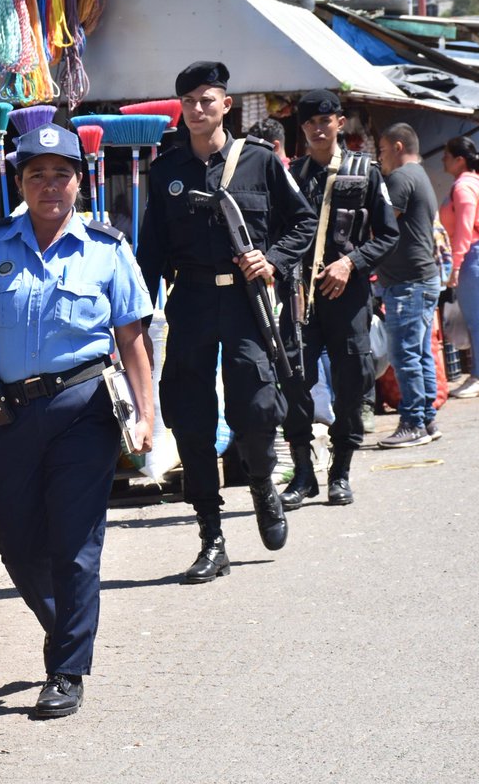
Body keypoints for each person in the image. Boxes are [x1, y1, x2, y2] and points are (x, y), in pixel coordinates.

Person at [0, 122, 154, 719]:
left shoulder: (107, 250)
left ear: (79, 182)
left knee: (76, 542)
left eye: (61, 174)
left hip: (82, 410)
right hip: (7, 414)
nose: (49, 185)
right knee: (16, 542)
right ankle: (67, 628)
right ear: (20, 181)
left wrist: (147, 416)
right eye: (36, 174)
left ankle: (66, 669)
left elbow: (132, 337)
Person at [138, 61, 316, 585]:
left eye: (206, 100)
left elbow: (303, 221)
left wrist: (274, 260)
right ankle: (211, 538)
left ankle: (263, 486)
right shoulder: (166, 171)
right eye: (189, 101)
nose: (197, 109)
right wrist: (136, 322)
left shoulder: (259, 162)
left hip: (245, 304)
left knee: (256, 406)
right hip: (189, 300)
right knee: (190, 419)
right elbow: (151, 250)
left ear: (225, 105)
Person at [278, 90, 399, 509]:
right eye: (309, 121)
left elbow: (388, 234)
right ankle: (303, 473)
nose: (316, 127)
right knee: (294, 382)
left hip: (347, 297)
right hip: (299, 299)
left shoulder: (364, 171)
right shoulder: (291, 175)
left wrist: (351, 263)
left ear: (339, 123)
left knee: (351, 384)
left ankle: (340, 471)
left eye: (324, 119)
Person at [375, 123, 443, 447]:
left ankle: (413, 422)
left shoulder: (401, 178)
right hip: (421, 278)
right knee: (418, 352)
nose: (380, 158)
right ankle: (426, 420)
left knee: (405, 355)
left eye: (382, 150)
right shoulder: (420, 174)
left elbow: (384, 226)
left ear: (398, 146)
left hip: (409, 282)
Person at [440, 136, 479, 398]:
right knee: (478, 319)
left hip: (473, 255)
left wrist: (455, 264)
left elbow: (464, 229)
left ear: (459, 159)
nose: (443, 160)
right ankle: (478, 375)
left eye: (446, 155)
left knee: (476, 321)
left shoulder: (464, 187)